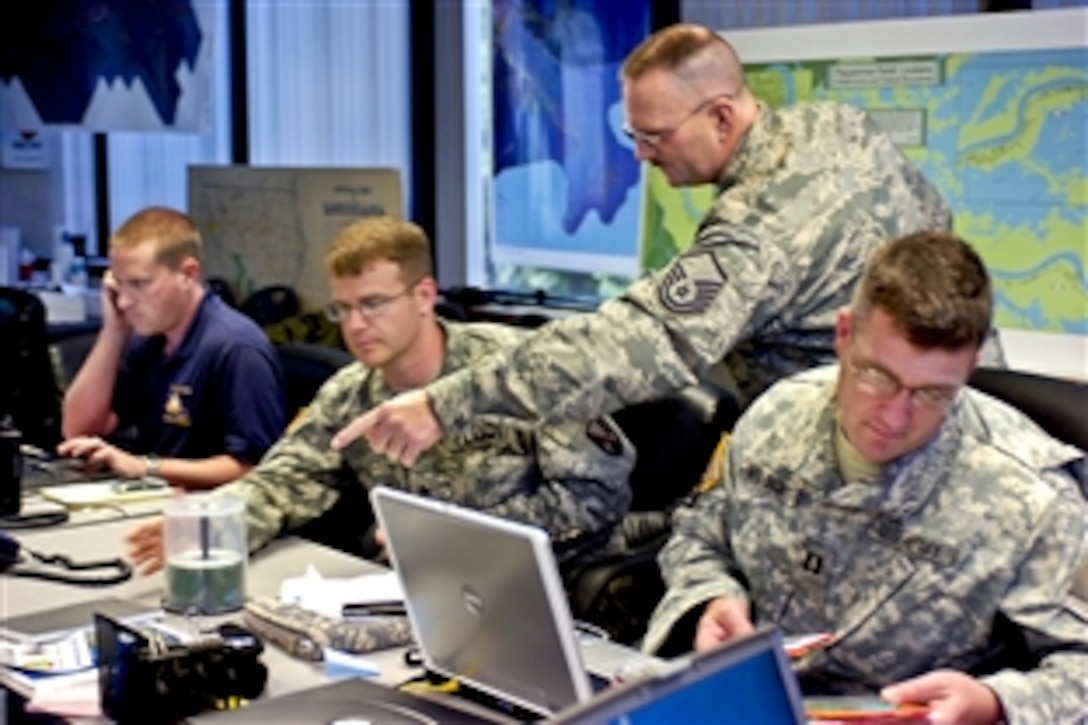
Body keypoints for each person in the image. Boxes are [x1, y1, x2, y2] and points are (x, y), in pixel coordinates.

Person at [331, 22, 1003, 468]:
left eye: (654, 136)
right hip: (957, 412)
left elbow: (636, 343)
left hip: (871, 448)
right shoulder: (835, 126)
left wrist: (447, 401)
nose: (644, 156)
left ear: (720, 115)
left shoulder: (757, 224)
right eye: (634, 136)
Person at [641, 231, 1087, 724]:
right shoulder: (775, 417)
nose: (894, 416)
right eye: (876, 375)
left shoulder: (1033, 497)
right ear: (844, 334)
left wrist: (995, 704)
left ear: (970, 368)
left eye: (932, 394)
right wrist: (712, 598)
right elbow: (699, 539)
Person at [126, 216, 634, 573]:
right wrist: (213, 524)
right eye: (342, 309)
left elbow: (598, 498)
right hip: (416, 591)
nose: (355, 325)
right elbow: (284, 480)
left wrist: (462, 538)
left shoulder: (522, 372)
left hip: (549, 585)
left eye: (372, 304)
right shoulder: (350, 395)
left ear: (424, 295)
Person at [60, 207, 286, 489]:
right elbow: (79, 430)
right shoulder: (148, 339)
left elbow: (254, 468)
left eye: (140, 284)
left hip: (214, 514)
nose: (125, 302)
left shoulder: (235, 348)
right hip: (156, 500)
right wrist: (114, 331)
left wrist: (146, 467)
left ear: (188, 274)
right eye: (120, 285)